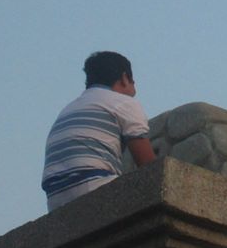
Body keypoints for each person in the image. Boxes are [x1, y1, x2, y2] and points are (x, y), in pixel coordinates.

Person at [42, 51, 156, 211]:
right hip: (95, 186)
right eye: (133, 82)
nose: (134, 89)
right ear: (125, 78)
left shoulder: (68, 109)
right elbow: (148, 166)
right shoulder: (124, 103)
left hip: (55, 201)